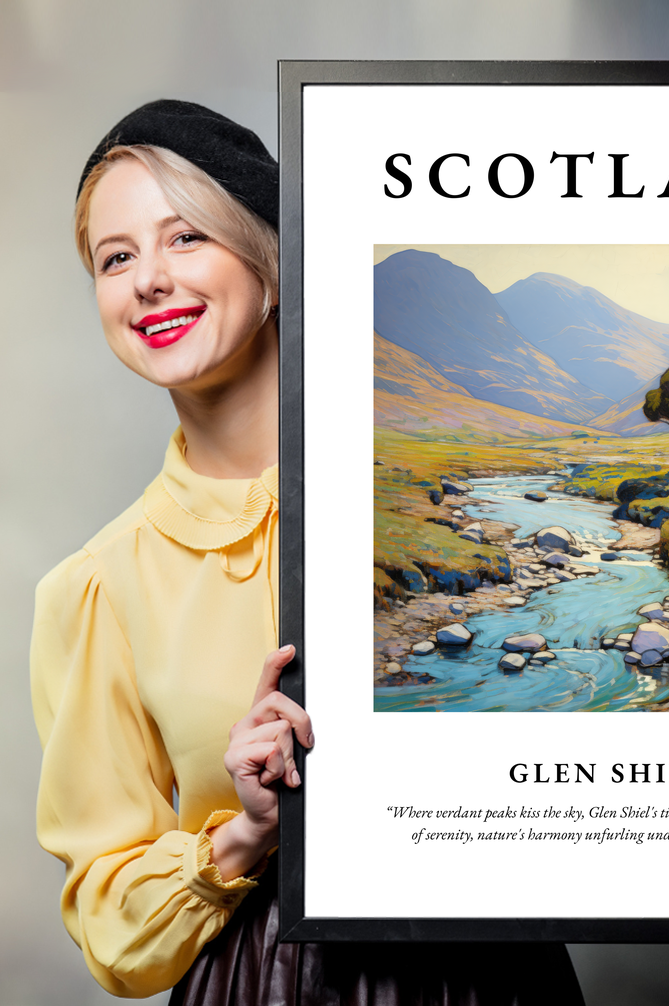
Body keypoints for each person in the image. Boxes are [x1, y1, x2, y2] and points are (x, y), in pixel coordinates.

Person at [30, 100, 585, 1004]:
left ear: (273, 264)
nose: (148, 281)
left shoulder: (407, 496)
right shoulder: (96, 587)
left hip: (495, 974)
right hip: (264, 981)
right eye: (116, 257)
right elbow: (110, 925)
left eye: (185, 239)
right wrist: (245, 832)